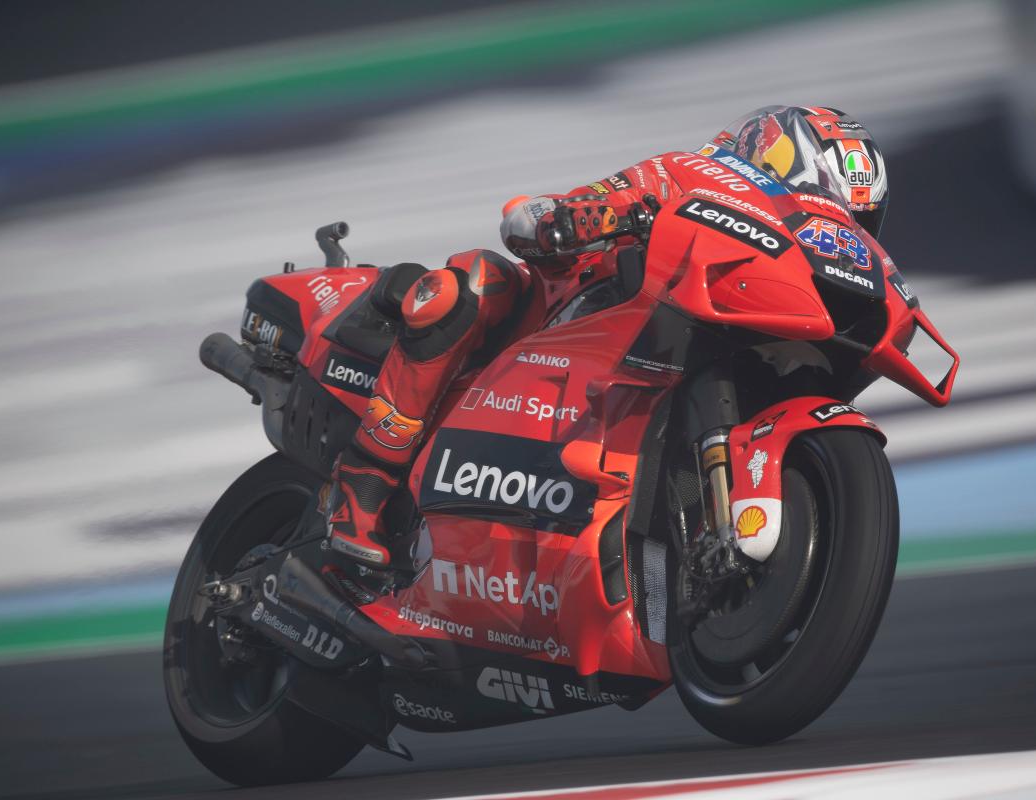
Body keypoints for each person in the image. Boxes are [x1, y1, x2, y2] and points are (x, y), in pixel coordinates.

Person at [324, 105, 889, 593]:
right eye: (828, 202)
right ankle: (362, 485)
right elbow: (538, 219)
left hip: (672, 361)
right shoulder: (689, 172)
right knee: (470, 284)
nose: (837, 227)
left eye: (857, 221)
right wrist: (573, 218)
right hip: (565, 323)